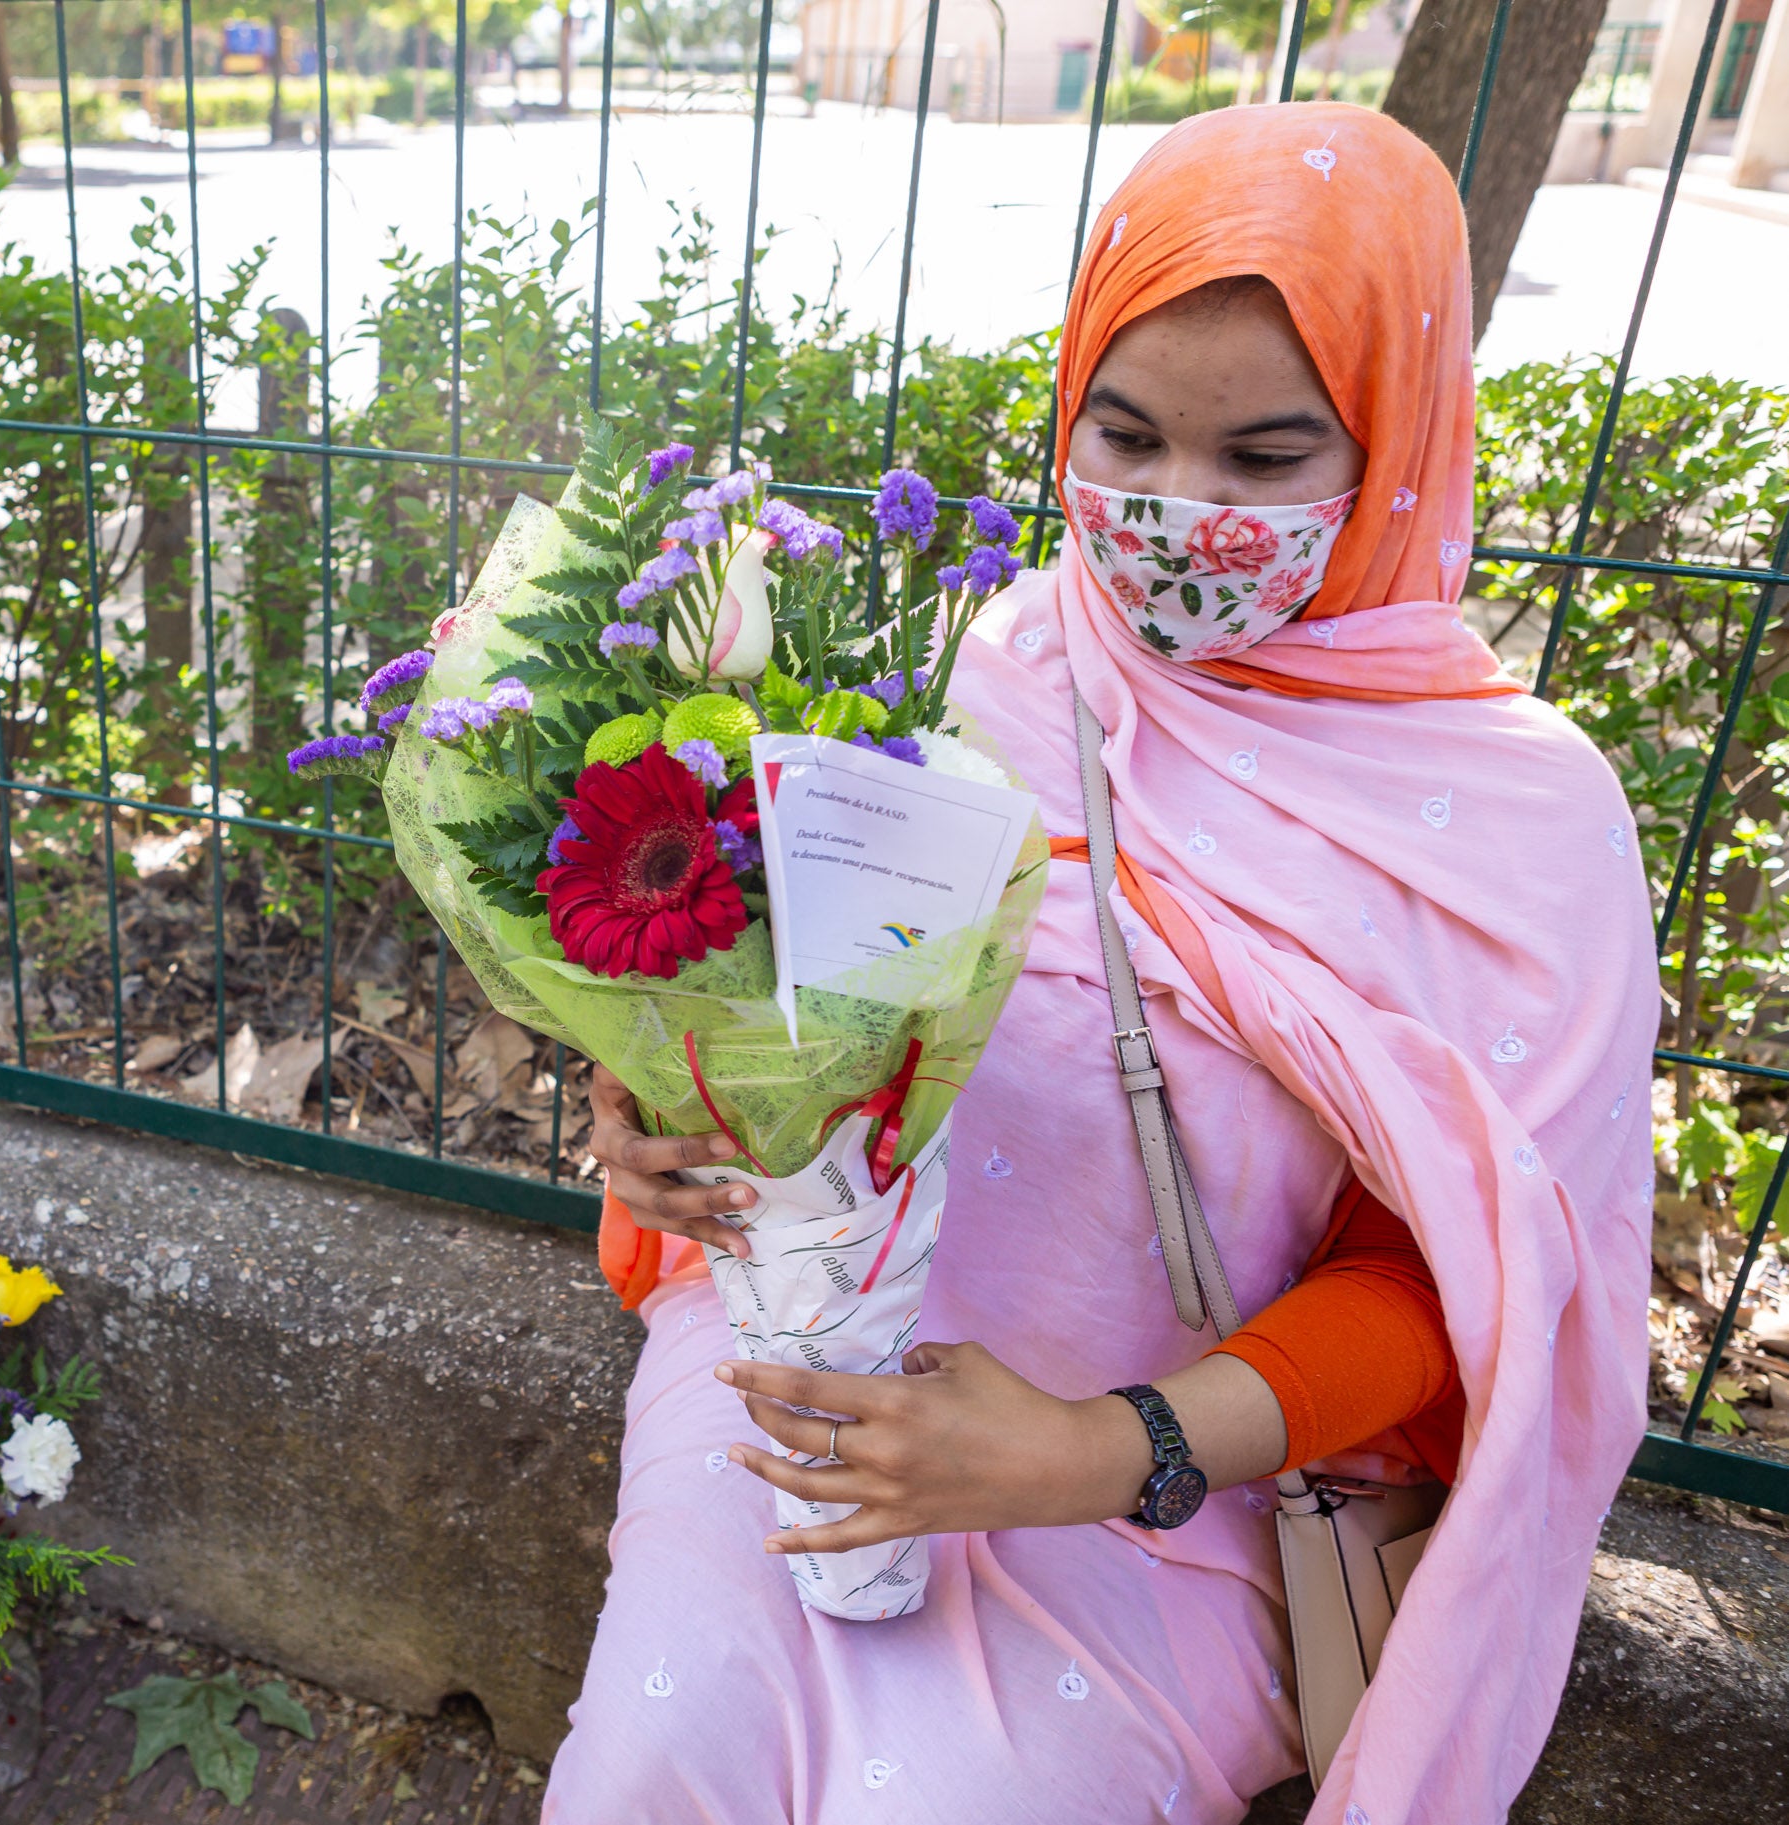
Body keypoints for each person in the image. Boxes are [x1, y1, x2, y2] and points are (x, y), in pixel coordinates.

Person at [541, 103, 1658, 1824]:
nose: (1170, 514)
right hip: (814, 1365)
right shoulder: (987, 664)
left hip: (1172, 1480)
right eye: (1120, 435)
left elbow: (1460, 1295)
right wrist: (665, 1125)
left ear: (1398, 442)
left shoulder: (1515, 827)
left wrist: (1090, 1450)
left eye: (1265, 461)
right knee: (646, 1767)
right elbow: (804, 1036)